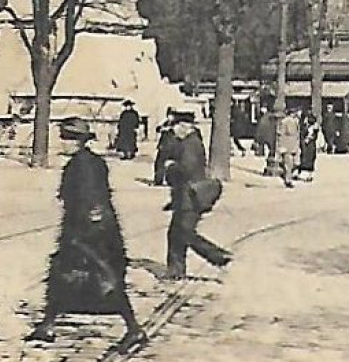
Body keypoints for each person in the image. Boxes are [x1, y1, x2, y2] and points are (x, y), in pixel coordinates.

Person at [27, 117, 147, 349]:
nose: (63, 142)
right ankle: (47, 324)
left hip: (92, 234)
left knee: (107, 281)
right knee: (61, 275)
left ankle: (134, 329)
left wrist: (85, 235)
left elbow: (93, 201)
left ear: (78, 141)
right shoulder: (87, 161)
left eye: (67, 138)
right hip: (85, 230)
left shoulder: (83, 165)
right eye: (63, 137)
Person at [161, 111, 231, 280]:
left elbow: (186, 170)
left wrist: (170, 167)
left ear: (185, 126)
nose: (174, 130)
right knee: (177, 233)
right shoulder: (187, 142)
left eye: (176, 127)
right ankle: (176, 270)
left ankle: (217, 256)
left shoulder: (190, 145)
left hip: (190, 197)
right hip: (185, 196)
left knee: (184, 233)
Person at [275, 109, 300, 187]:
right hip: (287, 146)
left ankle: (287, 176)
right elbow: (281, 134)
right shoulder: (285, 122)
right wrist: (281, 146)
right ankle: (288, 180)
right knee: (289, 164)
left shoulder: (295, 121)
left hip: (293, 146)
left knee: (294, 164)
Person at [153, 112, 177, 187]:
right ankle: (158, 180)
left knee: (169, 163)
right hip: (163, 145)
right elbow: (158, 129)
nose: (170, 117)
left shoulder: (176, 124)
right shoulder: (166, 122)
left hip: (171, 146)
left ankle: (171, 180)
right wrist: (162, 128)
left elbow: (175, 131)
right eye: (169, 115)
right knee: (159, 163)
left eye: (172, 115)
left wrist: (167, 129)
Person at [297, 114, 319, 182]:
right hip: (308, 146)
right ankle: (307, 175)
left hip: (309, 146)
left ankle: (308, 175)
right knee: (307, 159)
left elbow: (314, 137)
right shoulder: (307, 127)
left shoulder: (313, 129)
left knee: (308, 160)